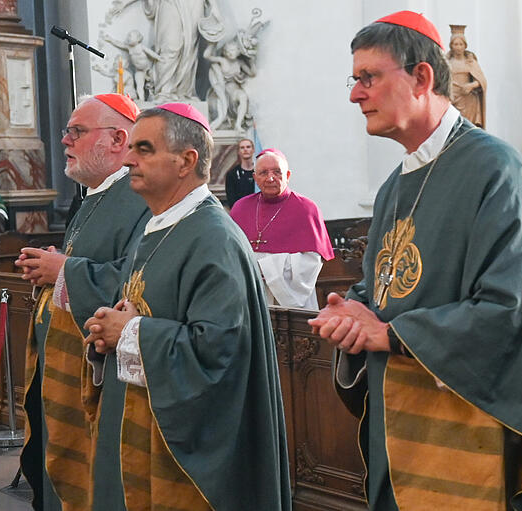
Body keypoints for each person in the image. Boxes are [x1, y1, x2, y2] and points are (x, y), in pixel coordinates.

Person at [309, 11, 522, 510]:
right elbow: (387, 288)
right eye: (354, 80)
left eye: (368, 78)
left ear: (422, 77)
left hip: (469, 443)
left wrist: (391, 334)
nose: (355, 94)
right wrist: (352, 312)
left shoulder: (492, 170)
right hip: (402, 430)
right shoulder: (397, 184)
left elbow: (510, 313)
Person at [82, 103, 290, 510]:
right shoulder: (159, 227)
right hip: (139, 432)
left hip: (183, 457)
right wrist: (107, 331)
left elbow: (218, 352)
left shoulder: (213, 238)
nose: (127, 159)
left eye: (144, 149)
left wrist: (127, 333)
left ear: (186, 161)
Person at [14, 94, 150, 511]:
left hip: (98, 370)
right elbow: (92, 262)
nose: (65, 141)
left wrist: (63, 271)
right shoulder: (96, 196)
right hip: (64, 365)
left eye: (77, 131)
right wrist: (54, 267)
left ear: (117, 139)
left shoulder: (138, 197)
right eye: (67, 131)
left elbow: (137, 282)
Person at [230, 148, 334, 309]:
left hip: (290, 299)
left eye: (277, 172)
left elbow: (310, 263)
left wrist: (267, 269)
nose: (271, 178)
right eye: (263, 173)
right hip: (250, 295)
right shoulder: (240, 208)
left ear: (288, 175)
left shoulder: (306, 208)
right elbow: (229, 254)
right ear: (255, 178)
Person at [446, 26, 486, 128]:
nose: (458, 47)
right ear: (451, 46)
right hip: (452, 98)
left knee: (468, 127)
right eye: (456, 44)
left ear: (465, 46)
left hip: (468, 101)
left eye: (461, 44)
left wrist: (471, 85)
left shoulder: (470, 61)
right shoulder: (447, 62)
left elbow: (482, 81)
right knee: (453, 126)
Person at [224, 138, 255, 208]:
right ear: (238, 151)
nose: (245, 150)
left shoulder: (260, 172)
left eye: (248, 147)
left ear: (253, 150)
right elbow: (231, 200)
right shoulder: (232, 174)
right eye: (242, 147)